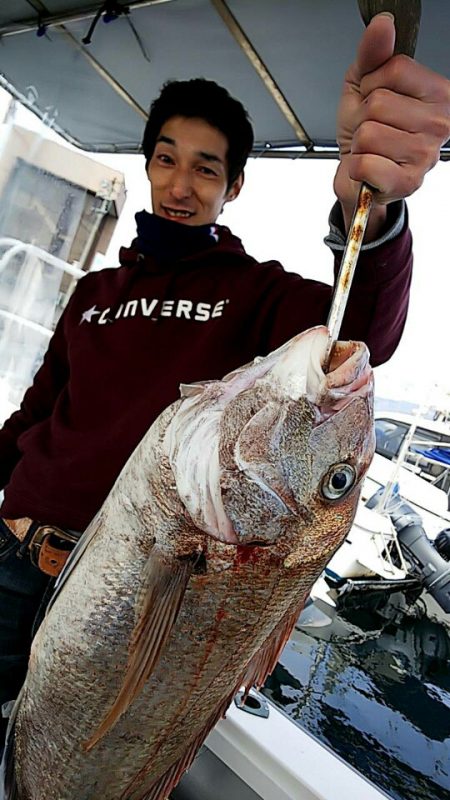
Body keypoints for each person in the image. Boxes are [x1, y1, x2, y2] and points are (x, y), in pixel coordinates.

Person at [0, 12, 449, 751]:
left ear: (234, 185)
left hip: (133, 597)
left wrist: (373, 208)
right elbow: (36, 414)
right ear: (148, 166)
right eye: (167, 160)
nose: (181, 184)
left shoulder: (255, 294)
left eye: (206, 168)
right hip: (14, 556)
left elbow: (363, 326)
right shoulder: (96, 292)